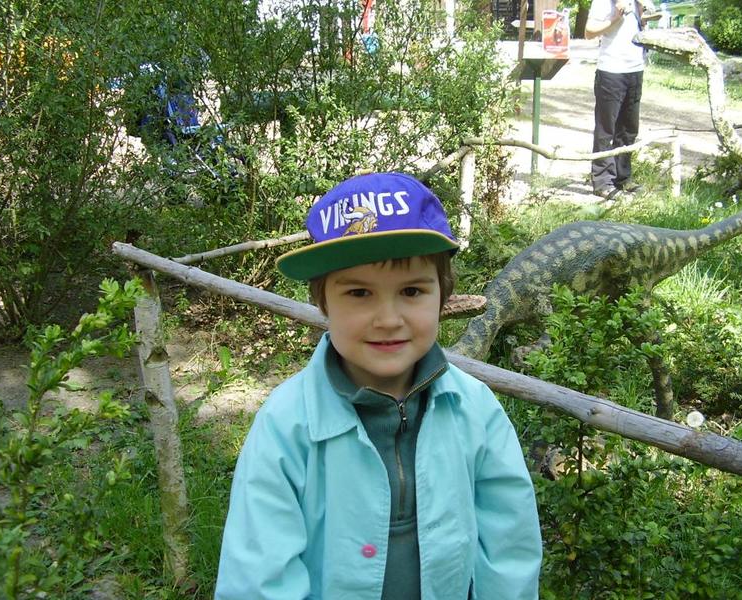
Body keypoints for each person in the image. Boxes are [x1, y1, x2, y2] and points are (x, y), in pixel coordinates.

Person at [215, 172, 543, 599]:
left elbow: (510, 549)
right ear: (322, 301)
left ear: (442, 297)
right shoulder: (286, 425)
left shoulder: (475, 409)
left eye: (411, 291)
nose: (388, 319)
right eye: (359, 293)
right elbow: (258, 579)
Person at [586, 0, 657, 199]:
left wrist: (643, 17)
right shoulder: (603, 2)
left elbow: (643, 27)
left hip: (635, 71)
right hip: (611, 71)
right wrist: (614, 18)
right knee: (605, 130)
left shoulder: (640, 2)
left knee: (628, 129)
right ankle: (602, 181)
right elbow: (589, 32)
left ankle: (622, 178)